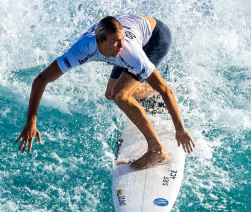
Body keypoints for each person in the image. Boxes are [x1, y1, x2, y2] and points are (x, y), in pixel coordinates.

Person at [15, 14, 194, 170]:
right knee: (111, 93)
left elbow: (165, 90)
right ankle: (151, 93)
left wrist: (180, 130)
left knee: (120, 95)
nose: (120, 45)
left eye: (122, 40)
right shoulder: (83, 48)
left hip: (155, 37)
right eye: (116, 41)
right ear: (100, 42)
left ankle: (156, 150)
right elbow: (41, 80)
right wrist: (31, 122)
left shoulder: (128, 51)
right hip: (130, 37)